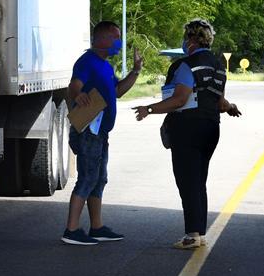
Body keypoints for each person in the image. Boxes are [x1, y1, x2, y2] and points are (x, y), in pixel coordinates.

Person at [133, 19, 241, 250]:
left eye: (185, 37)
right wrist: (231, 108)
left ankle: (192, 235)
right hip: (211, 128)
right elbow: (220, 101)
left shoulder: (186, 65)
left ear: (191, 39)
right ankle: (199, 233)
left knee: (187, 181)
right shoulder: (218, 66)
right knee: (199, 180)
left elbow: (180, 99)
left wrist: (149, 109)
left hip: (188, 129)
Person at [62, 21, 143, 246]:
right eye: (116, 37)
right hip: (89, 130)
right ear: (103, 39)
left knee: (99, 179)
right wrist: (78, 94)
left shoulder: (105, 66)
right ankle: (71, 230)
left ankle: (96, 227)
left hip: (101, 132)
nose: (119, 42)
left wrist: (136, 72)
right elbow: (74, 85)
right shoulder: (87, 61)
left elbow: (117, 91)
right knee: (87, 177)